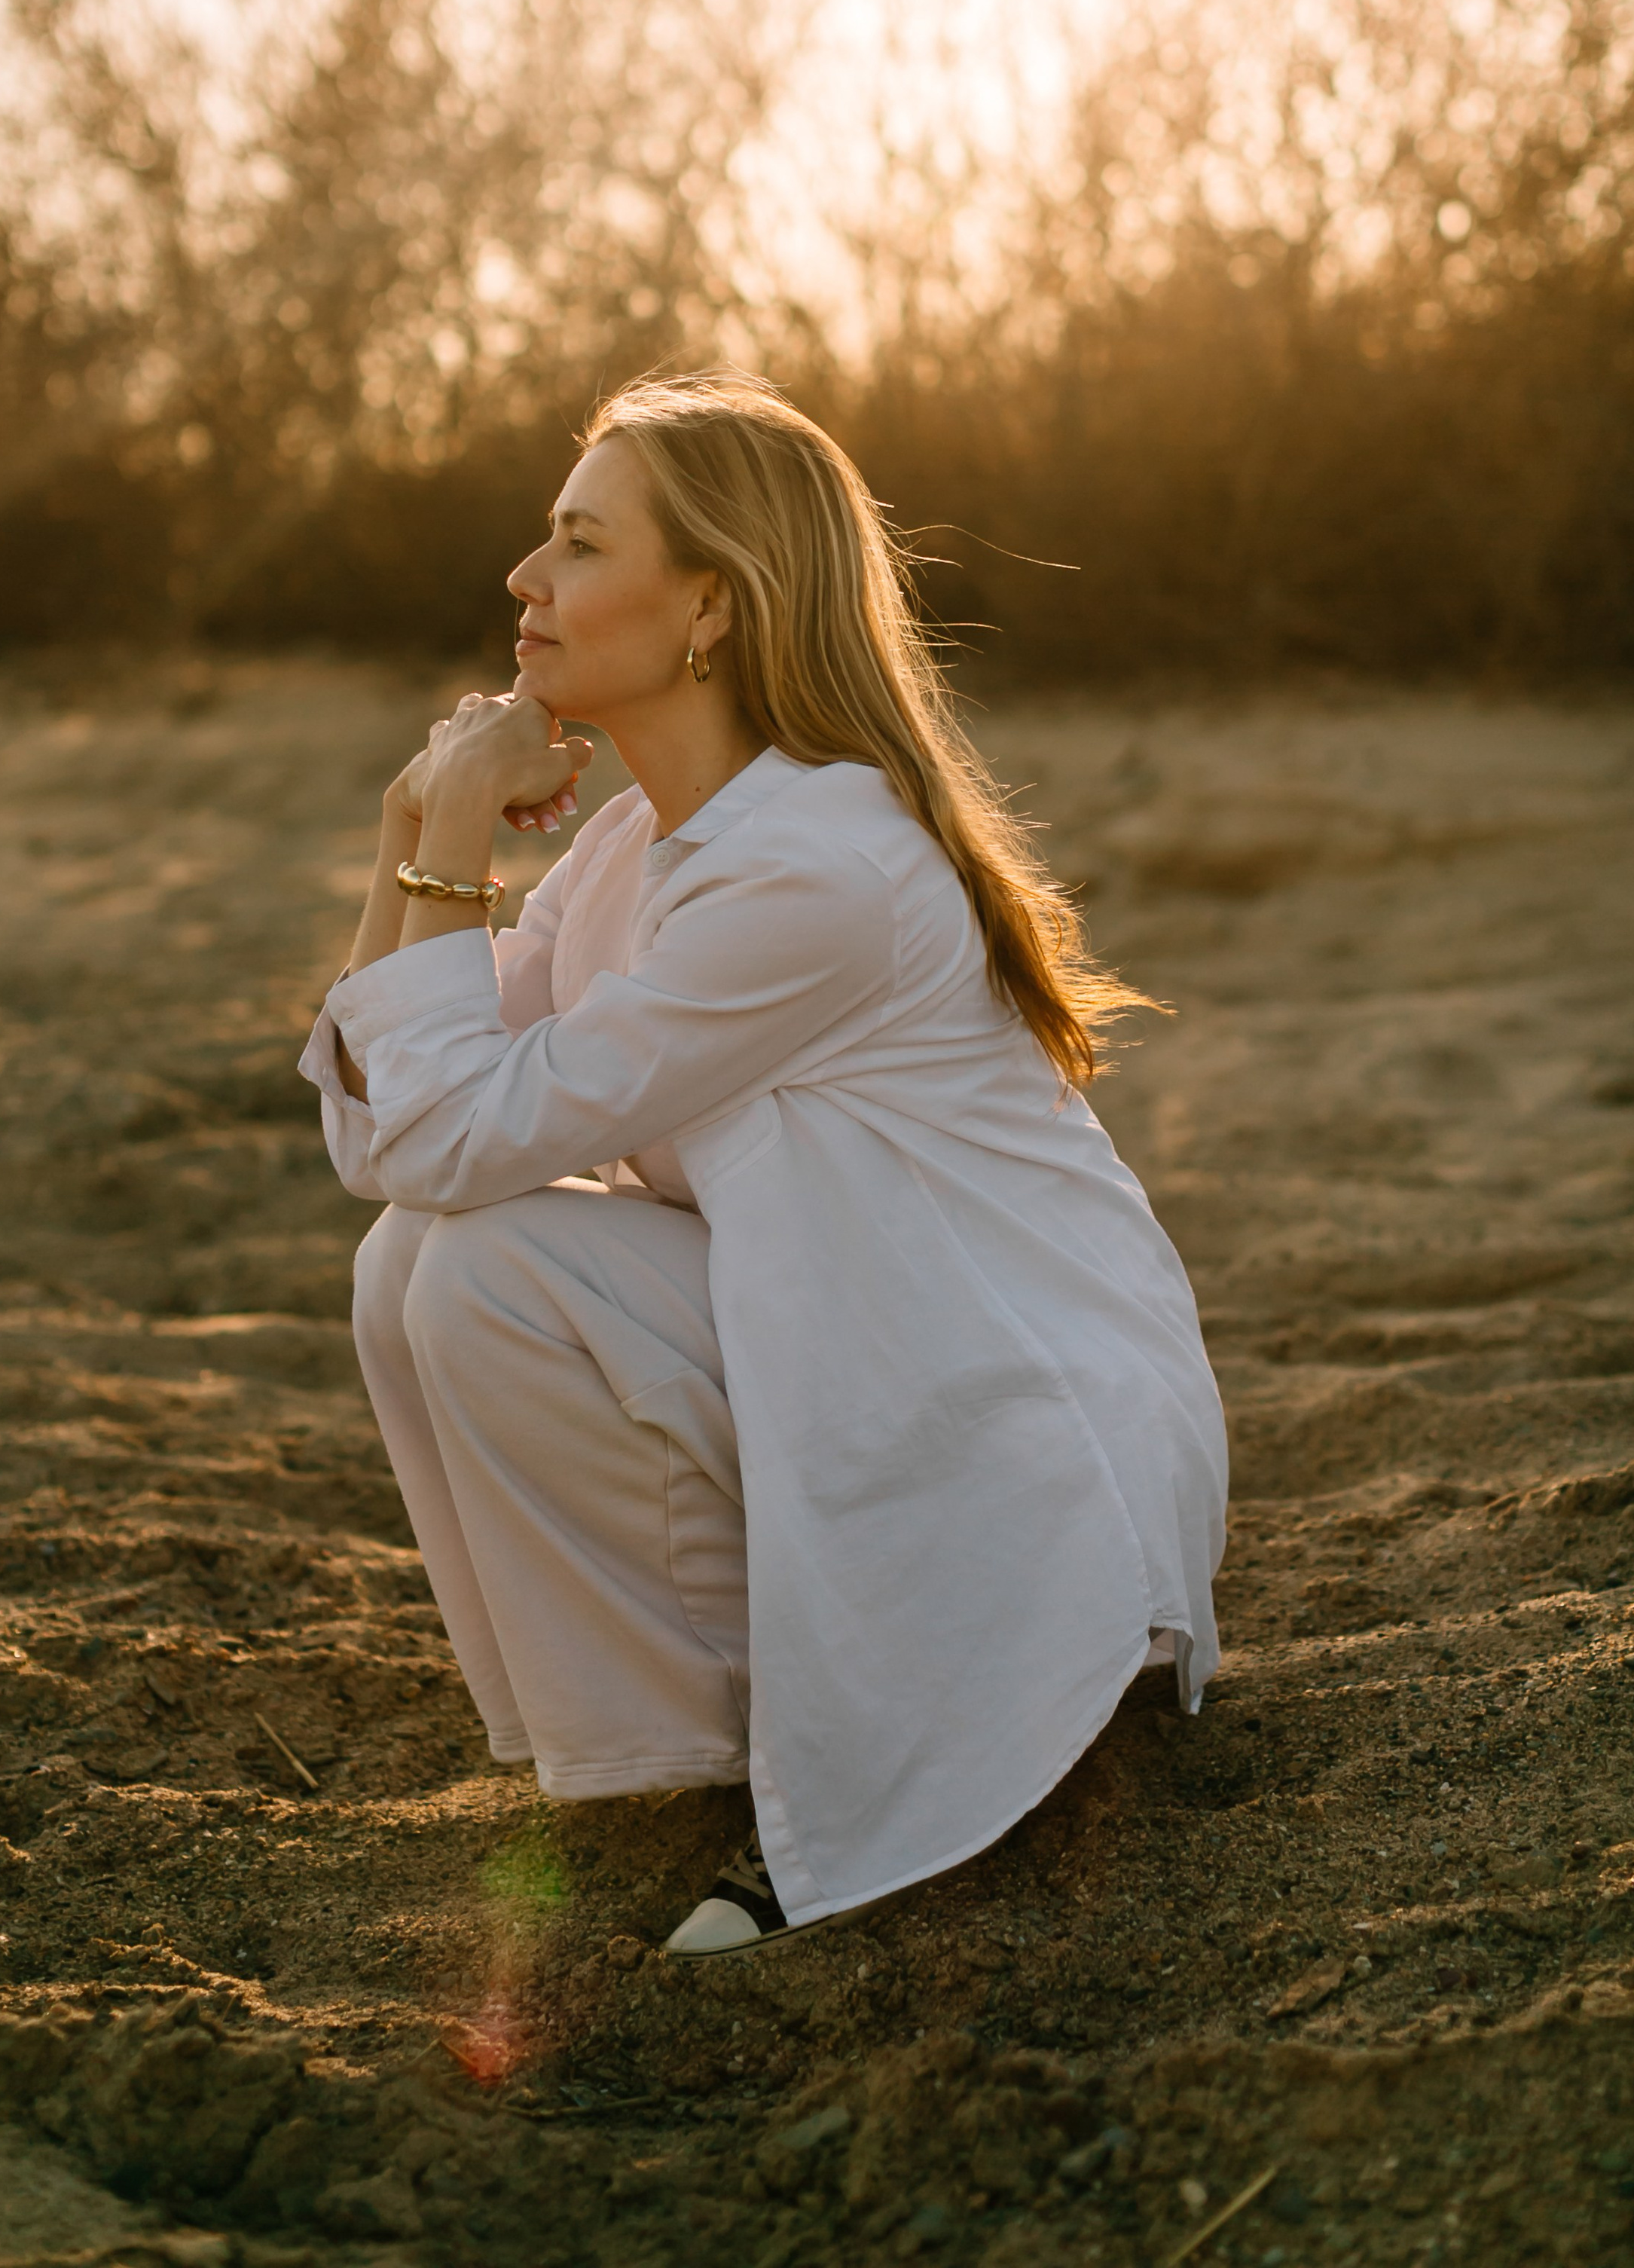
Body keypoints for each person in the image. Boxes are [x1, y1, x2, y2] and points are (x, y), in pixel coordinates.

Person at [299, 370, 1226, 1957]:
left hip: (1003, 1416)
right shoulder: (634, 848)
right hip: (846, 1337)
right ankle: (682, 1751)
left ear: (710, 608)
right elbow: (391, 1137)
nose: (525, 582)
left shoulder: (816, 871)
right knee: (430, 1265)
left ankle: (917, 1716)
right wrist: (416, 826)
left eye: (579, 544)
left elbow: (445, 1129)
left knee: (475, 1259)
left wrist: (453, 845)